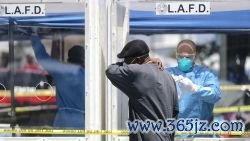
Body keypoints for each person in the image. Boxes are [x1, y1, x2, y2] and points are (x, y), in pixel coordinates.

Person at [106, 40, 178, 141]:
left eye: (127, 61)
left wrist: (123, 64)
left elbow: (110, 70)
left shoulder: (137, 72)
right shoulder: (168, 76)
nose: (126, 64)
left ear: (138, 60)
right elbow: (175, 112)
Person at [30, 33, 85, 129]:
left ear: (68, 59)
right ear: (84, 60)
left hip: (62, 121)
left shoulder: (61, 72)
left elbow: (43, 58)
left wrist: (34, 36)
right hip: (81, 121)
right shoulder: (90, 76)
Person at [166, 39, 221, 122]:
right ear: (176, 56)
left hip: (200, 130)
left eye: (188, 57)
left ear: (194, 56)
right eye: (181, 57)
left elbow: (215, 95)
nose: (184, 60)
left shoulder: (205, 74)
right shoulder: (168, 73)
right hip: (175, 130)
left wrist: (195, 89)